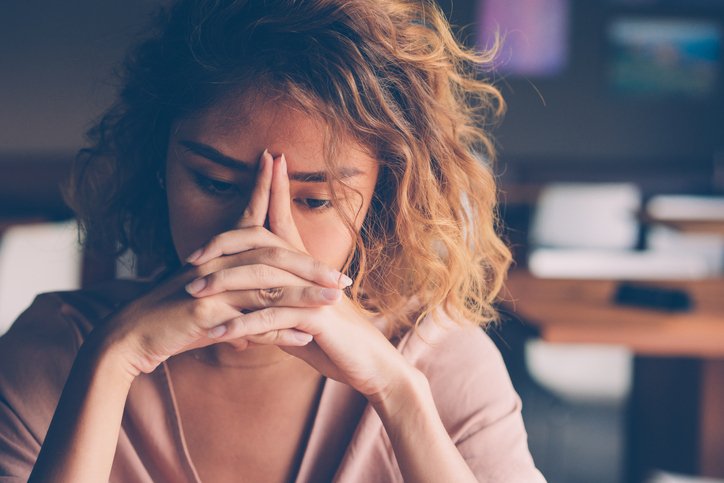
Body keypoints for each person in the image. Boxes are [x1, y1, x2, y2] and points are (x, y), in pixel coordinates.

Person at [0, 0, 545, 481]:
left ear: (382, 198)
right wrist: (113, 361)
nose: (258, 235)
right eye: (214, 183)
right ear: (159, 164)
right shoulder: (57, 352)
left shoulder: (439, 366)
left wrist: (399, 398)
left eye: (315, 199)